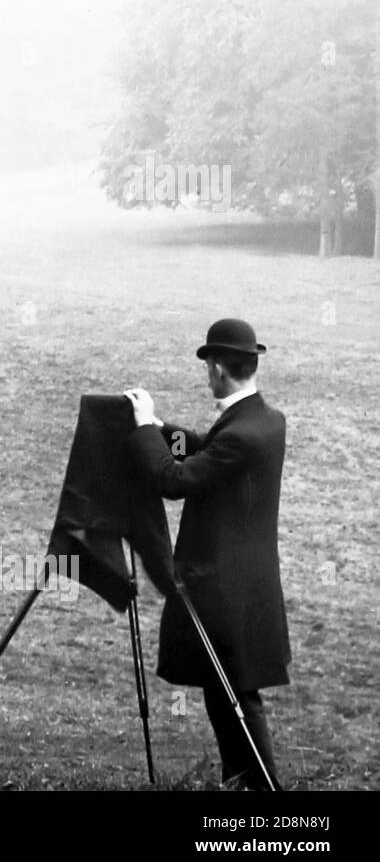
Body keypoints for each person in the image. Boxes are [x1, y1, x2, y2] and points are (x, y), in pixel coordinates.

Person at [122, 318, 290, 790]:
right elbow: (203, 448)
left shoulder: (242, 434)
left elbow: (174, 480)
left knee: (237, 696)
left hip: (225, 590)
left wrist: (139, 431)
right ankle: (241, 783)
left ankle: (264, 792)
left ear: (217, 368)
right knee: (226, 693)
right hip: (247, 584)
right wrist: (159, 429)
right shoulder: (263, 419)